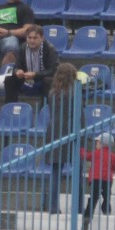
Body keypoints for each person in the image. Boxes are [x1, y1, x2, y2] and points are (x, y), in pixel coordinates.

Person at [45, 62, 80, 215]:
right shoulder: (74, 92)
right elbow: (79, 115)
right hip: (71, 132)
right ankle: (78, 207)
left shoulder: (53, 93)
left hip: (53, 133)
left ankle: (53, 207)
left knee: (55, 171)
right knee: (77, 171)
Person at [3, 24, 59, 103]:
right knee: (9, 79)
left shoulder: (50, 49)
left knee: (48, 81)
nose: (32, 41)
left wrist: (36, 74)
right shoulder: (22, 48)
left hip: (42, 78)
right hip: (26, 78)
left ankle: (45, 110)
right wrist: (18, 71)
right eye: (29, 38)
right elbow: (16, 66)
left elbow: (53, 70)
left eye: (35, 38)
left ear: (42, 38)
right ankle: (10, 108)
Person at [80, 132, 115, 230]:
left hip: (95, 179)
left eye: (97, 142)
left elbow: (85, 156)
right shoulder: (113, 156)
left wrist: (81, 149)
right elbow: (114, 167)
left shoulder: (95, 153)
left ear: (100, 143)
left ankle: (87, 217)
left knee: (93, 198)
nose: (96, 144)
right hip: (107, 180)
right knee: (107, 195)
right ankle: (106, 209)